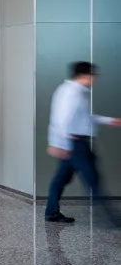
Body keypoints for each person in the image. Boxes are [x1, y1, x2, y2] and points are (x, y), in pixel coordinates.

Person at [45, 61, 121, 224]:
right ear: (85, 75)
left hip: (73, 143)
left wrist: (110, 120)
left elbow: (85, 117)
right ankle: (112, 218)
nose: (95, 78)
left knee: (61, 178)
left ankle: (51, 212)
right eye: (94, 75)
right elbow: (61, 120)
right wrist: (61, 144)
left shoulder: (75, 91)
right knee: (93, 179)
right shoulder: (71, 93)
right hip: (75, 144)